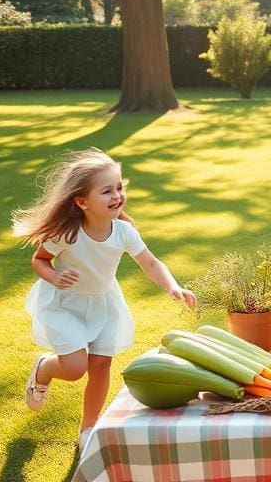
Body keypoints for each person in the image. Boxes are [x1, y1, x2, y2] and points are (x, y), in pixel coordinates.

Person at [12, 148, 195, 451]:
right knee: (73, 368)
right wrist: (54, 276)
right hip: (66, 305)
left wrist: (172, 286)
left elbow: (150, 262)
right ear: (82, 202)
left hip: (105, 305)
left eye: (119, 188)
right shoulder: (67, 233)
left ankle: (88, 429)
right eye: (107, 191)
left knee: (100, 366)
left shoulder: (123, 232)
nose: (117, 196)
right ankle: (44, 368)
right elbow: (39, 259)